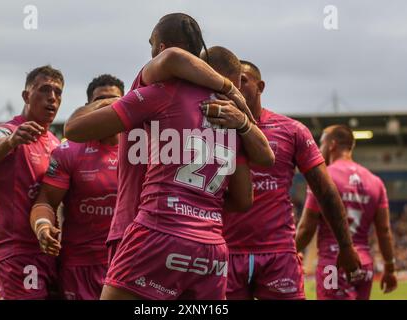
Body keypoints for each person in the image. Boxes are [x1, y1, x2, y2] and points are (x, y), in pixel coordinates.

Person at [64, 14, 268, 300]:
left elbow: (73, 130)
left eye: (151, 46)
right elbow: (245, 197)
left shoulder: (155, 92)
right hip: (210, 245)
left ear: (159, 48)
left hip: (148, 227)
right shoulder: (230, 119)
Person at [221, 60, 361, 300]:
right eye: (229, 79)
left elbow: (325, 191)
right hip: (224, 252)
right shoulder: (209, 129)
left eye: (243, 79)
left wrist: (346, 246)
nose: (235, 84)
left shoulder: (292, 130)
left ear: (261, 86)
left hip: (278, 253)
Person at [0, 65, 64, 299]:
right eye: (44, 90)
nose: (52, 97)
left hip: (51, 251)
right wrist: (11, 142)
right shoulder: (7, 131)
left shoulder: (56, 143)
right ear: (26, 96)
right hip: (16, 251)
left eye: (58, 92)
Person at [29, 74, 124, 300]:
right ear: (87, 108)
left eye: (115, 101)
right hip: (80, 267)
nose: (108, 108)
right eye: (101, 102)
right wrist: (42, 227)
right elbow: (45, 201)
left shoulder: (143, 149)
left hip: (128, 263)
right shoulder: (69, 151)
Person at [296, 124, 397, 300]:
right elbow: (384, 231)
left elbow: (306, 227)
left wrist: (288, 252)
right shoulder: (375, 181)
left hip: (334, 263)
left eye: (321, 144)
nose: (319, 149)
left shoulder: (324, 177)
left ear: (332, 144)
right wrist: (389, 268)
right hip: (363, 264)